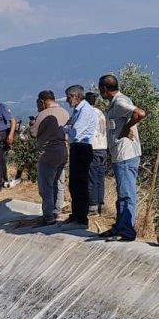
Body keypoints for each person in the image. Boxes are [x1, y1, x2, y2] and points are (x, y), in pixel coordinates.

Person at [99, 74, 147, 242]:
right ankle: (120, 226)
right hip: (120, 154)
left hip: (125, 154)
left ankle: (127, 231)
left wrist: (127, 127)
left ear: (104, 89)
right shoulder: (119, 101)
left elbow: (140, 113)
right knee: (122, 192)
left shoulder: (119, 102)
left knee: (127, 193)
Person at [61, 85, 102, 228]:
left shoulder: (85, 111)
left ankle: (81, 219)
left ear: (75, 96)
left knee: (80, 184)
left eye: (68, 97)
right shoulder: (78, 110)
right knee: (74, 184)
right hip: (77, 147)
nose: (67, 100)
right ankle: (76, 215)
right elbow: (70, 125)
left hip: (82, 148)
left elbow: (75, 132)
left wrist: (63, 130)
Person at [30, 91, 70, 225]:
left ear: (42, 101)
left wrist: (32, 124)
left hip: (48, 153)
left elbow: (33, 133)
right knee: (59, 183)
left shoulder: (43, 114)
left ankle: (48, 216)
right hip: (64, 151)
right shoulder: (65, 112)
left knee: (46, 186)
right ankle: (56, 211)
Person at [84, 92, 109, 216]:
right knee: (100, 178)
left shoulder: (87, 113)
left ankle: (92, 206)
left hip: (92, 147)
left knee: (91, 177)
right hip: (103, 147)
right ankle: (100, 204)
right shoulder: (100, 113)